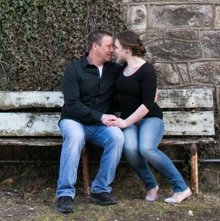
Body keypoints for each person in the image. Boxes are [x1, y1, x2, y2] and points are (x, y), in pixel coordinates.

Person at [111, 30, 192, 204]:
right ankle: (151, 185)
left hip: (150, 119)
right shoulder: (121, 69)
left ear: (127, 49)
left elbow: (148, 105)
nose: (114, 51)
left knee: (146, 148)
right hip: (129, 120)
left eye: (116, 47)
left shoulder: (147, 71)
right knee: (130, 149)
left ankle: (181, 188)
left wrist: (125, 122)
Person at [55, 30, 125, 214]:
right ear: (95, 46)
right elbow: (71, 104)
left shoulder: (115, 70)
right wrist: (100, 116)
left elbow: (137, 76)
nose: (113, 50)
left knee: (117, 136)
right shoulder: (74, 70)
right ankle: (65, 194)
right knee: (76, 136)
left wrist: (150, 92)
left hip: (98, 126)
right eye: (109, 46)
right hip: (73, 120)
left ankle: (100, 190)